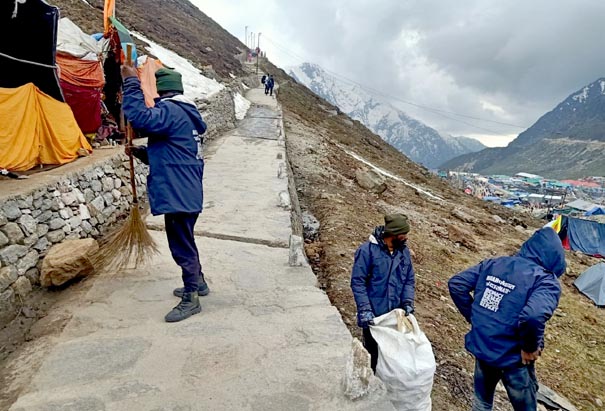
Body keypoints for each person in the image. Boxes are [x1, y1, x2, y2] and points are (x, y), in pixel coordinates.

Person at [120, 65, 210, 323]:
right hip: (186, 190)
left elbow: (140, 118)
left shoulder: (170, 111)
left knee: (181, 244)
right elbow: (174, 154)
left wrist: (131, 84)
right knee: (186, 238)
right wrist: (143, 154)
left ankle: (191, 296)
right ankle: (199, 282)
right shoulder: (186, 115)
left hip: (177, 192)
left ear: (161, 90)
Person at [448, 227, 566, 411]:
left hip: (484, 347)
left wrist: (476, 318)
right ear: (556, 257)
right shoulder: (545, 281)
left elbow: (457, 284)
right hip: (512, 357)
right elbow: (533, 316)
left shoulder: (495, 264)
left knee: (482, 402)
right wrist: (529, 347)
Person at [350, 214, 416, 372]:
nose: (406, 237)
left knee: (393, 354)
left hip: (395, 316)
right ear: (392, 234)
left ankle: (388, 383)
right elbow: (358, 282)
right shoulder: (367, 252)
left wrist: (407, 302)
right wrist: (365, 309)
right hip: (374, 315)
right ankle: (371, 380)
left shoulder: (403, 252)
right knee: (373, 353)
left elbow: (409, 279)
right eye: (403, 234)